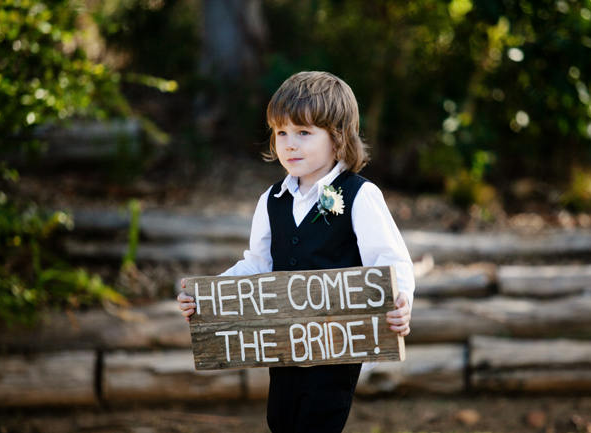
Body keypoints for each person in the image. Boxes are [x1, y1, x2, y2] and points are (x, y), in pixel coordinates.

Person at [177, 71, 414, 433]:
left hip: (336, 347)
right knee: (281, 421)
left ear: (337, 138)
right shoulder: (271, 201)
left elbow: (390, 261)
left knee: (316, 423)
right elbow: (256, 264)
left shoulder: (359, 196)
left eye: (304, 133)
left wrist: (399, 303)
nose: (289, 144)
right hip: (284, 345)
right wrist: (206, 298)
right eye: (281, 133)